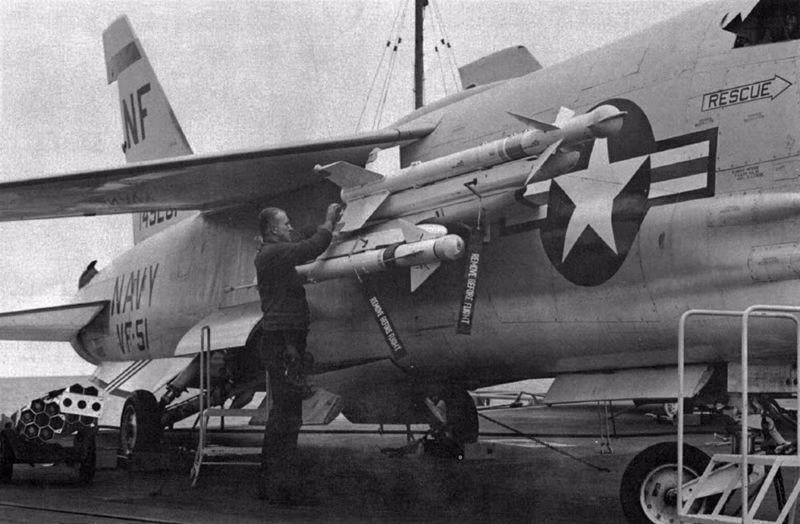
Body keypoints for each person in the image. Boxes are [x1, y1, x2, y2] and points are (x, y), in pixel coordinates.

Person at [254, 202, 341, 504]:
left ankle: (273, 483)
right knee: (287, 416)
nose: (290, 227)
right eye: (286, 223)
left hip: (284, 341)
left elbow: (301, 241)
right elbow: (311, 248)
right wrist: (329, 221)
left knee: (285, 413)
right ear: (272, 229)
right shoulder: (273, 254)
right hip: (284, 342)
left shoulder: (271, 254)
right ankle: (280, 487)